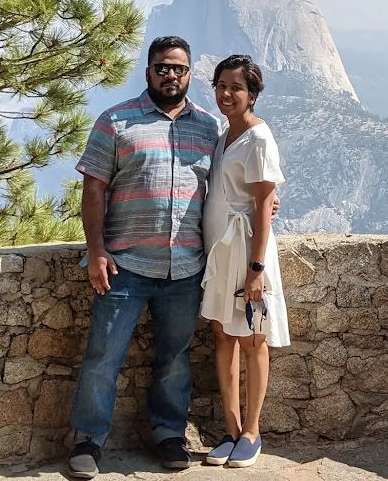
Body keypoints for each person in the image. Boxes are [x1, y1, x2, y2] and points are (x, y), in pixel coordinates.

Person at [67, 36, 221, 478]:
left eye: (179, 68)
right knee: (103, 358)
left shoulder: (208, 128)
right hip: (124, 266)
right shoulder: (116, 121)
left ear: (190, 72)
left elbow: (227, 187)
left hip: (186, 268)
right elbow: (94, 187)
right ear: (148, 70)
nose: (170, 75)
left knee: (175, 358)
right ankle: (88, 440)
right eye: (162, 68)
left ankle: (169, 434)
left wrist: (266, 202)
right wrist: (96, 250)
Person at [200, 55, 290, 468]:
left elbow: (263, 202)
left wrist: (257, 270)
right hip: (221, 252)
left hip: (249, 254)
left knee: (254, 339)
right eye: (221, 85)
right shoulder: (224, 136)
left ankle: (252, 432)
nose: (226, 94)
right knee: (223, 337)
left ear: (252, 94)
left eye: (236, 87)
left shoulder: (258, 138)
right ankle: (230, 429)